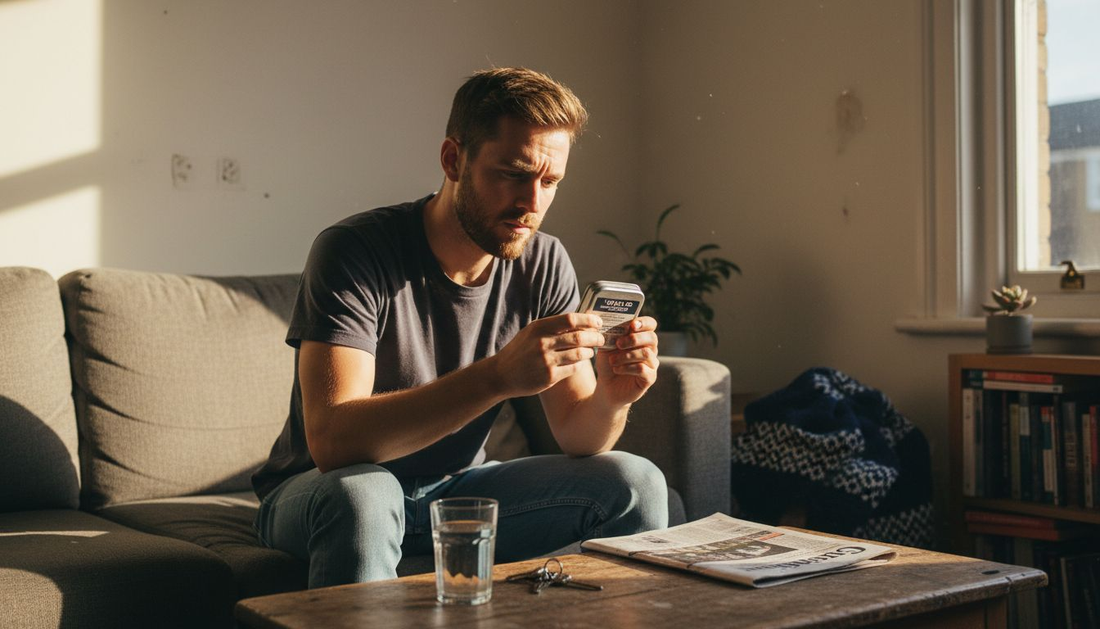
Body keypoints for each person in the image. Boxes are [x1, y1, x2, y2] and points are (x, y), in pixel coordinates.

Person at [251, 67, 667, 588]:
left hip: (456, 490)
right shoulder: (355, 250)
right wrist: (497, 377)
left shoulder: (543, 261)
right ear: (454, 160)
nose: (532, 203)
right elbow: (333, 442)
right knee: (365, 494)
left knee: (635, 482)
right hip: (322, 490)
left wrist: (613, 397)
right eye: (513, 174)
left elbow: (579, 434)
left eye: (550, 181)